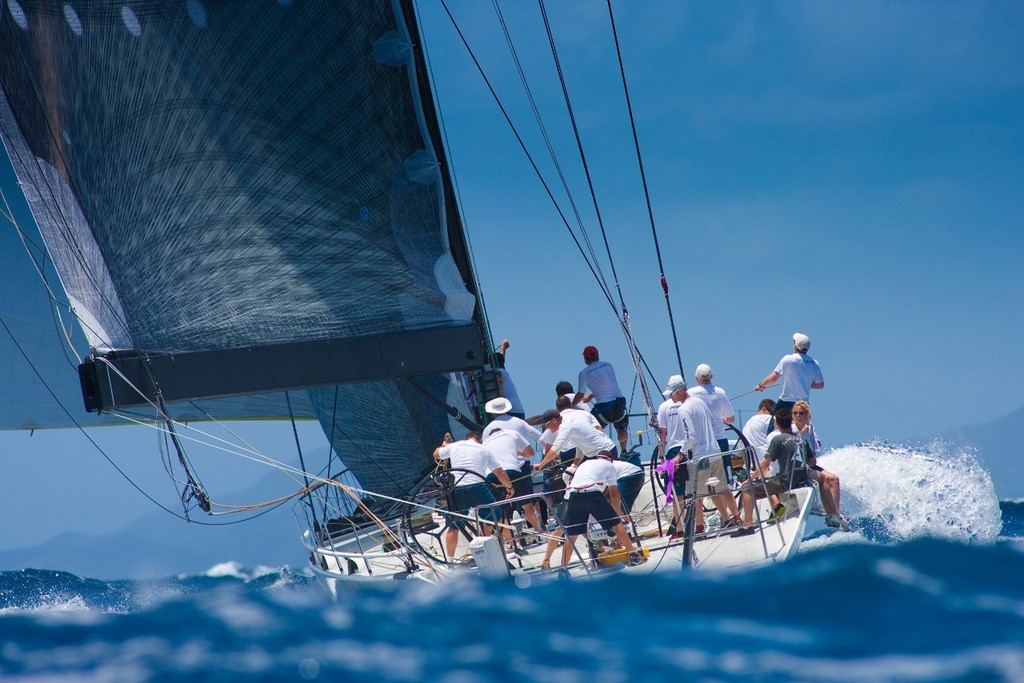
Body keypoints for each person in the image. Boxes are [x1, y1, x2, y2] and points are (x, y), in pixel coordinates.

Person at [657, 375, 740, 536]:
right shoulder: (700, 402)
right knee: (722, 489)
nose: (671, 397)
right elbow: (714, 424)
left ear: (680, 391)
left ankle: (699, 529)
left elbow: (691, 437)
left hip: (699, 458)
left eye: (672, 393)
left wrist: (679, 456)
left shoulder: (683, 409)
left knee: (695, 495)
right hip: (715, 452)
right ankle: (735, 519)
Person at [433, 432, 514, 561]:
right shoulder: (484, 449)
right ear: (480, 440)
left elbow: (436, 454)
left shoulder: (454, 445)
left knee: (454, 526)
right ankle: (516, 547)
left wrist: (444, 446)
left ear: (467, 438)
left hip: (457, 490)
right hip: (478, 489)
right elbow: (500, 473)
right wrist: (509, 487)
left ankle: (450, 561)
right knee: (498, 519)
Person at [559, 450, 641, 567]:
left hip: (574, 495)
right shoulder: (610, 466)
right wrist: (619, 514)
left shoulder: (585, 463)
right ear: (610, 460)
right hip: (592, 493)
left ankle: (563, 568)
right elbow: (614, 494)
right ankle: (633, 555)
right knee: (617, 524)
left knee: (572, 535)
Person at [737, 410, 806, 531]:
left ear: (777, 425)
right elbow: (812, 461)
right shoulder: (800, 439)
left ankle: (747, 525)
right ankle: (776, 505)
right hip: (802, 478)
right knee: (767, 479)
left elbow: (765, 463)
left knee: (747, 489)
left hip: (785, 481)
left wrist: (749, 480)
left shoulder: (776, 439)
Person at [792, 400, 849, 530]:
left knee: (834, 479)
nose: (798, 415)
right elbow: (791, 446)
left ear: (807, 415)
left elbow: (816, 444)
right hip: (799, 465)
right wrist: (801, 434)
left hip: (810, 463)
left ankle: (835, 514)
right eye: (795, 413)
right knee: (825, 479)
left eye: (801, 413)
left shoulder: (810, 428)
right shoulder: (792, 429)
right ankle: (832, 514)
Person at [482, 426, 542, 536]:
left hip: (492, 476)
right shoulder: (512, 433)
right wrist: (520, 453)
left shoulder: (484, 443)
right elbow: (530, 453)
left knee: (500, 512)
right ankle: (540, 532)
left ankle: (511, 541)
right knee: (527, 505)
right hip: (512, 472)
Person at [573, 345, 629, 453]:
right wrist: (591, 396)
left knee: (591, 429)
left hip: (604, 409)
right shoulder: (608, 365)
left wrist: (571, 406)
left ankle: (603, 451)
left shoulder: (584, 373)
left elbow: (580, 395)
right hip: (619, 405)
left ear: (585, 358)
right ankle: (624, 451)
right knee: (621, 429)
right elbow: (606, 385)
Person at [754, 332, 824, 415]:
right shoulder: (815, 363)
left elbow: (772, 379)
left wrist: (761, 385)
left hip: (787, 403)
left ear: (795, 346)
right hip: (804, 405)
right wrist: (804, 383)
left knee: (776, 424)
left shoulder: (788, 359)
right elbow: (820, 385)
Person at [494, 338, 526, 418]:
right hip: (519, 411)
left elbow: (500, 389)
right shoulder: (502, 371)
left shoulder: (498, 374)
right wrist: (503, 347)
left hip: (510, 411)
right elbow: (501, 358)